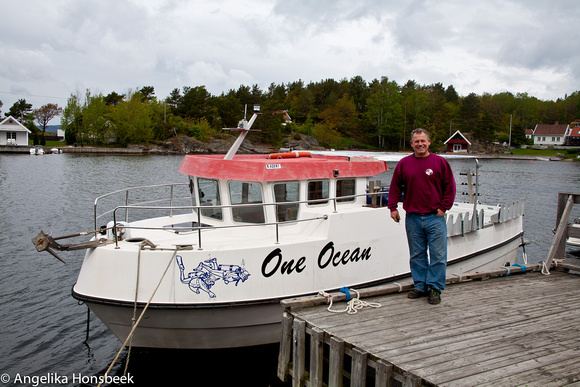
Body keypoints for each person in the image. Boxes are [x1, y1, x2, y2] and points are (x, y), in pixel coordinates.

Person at [387, 128, 456, 304]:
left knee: (438, 255)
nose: (420, 144)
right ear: (411, 144)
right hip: (413, 218)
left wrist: (444, 208)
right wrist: (392, 207)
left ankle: (435, 288)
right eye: (416, 141)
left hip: (435, 217)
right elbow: (395, 187)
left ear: (429, 142)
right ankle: (420, 285)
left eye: (422, 141)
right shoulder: (404, 164)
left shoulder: (440, 163)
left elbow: (450, 187)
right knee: (417, 255)